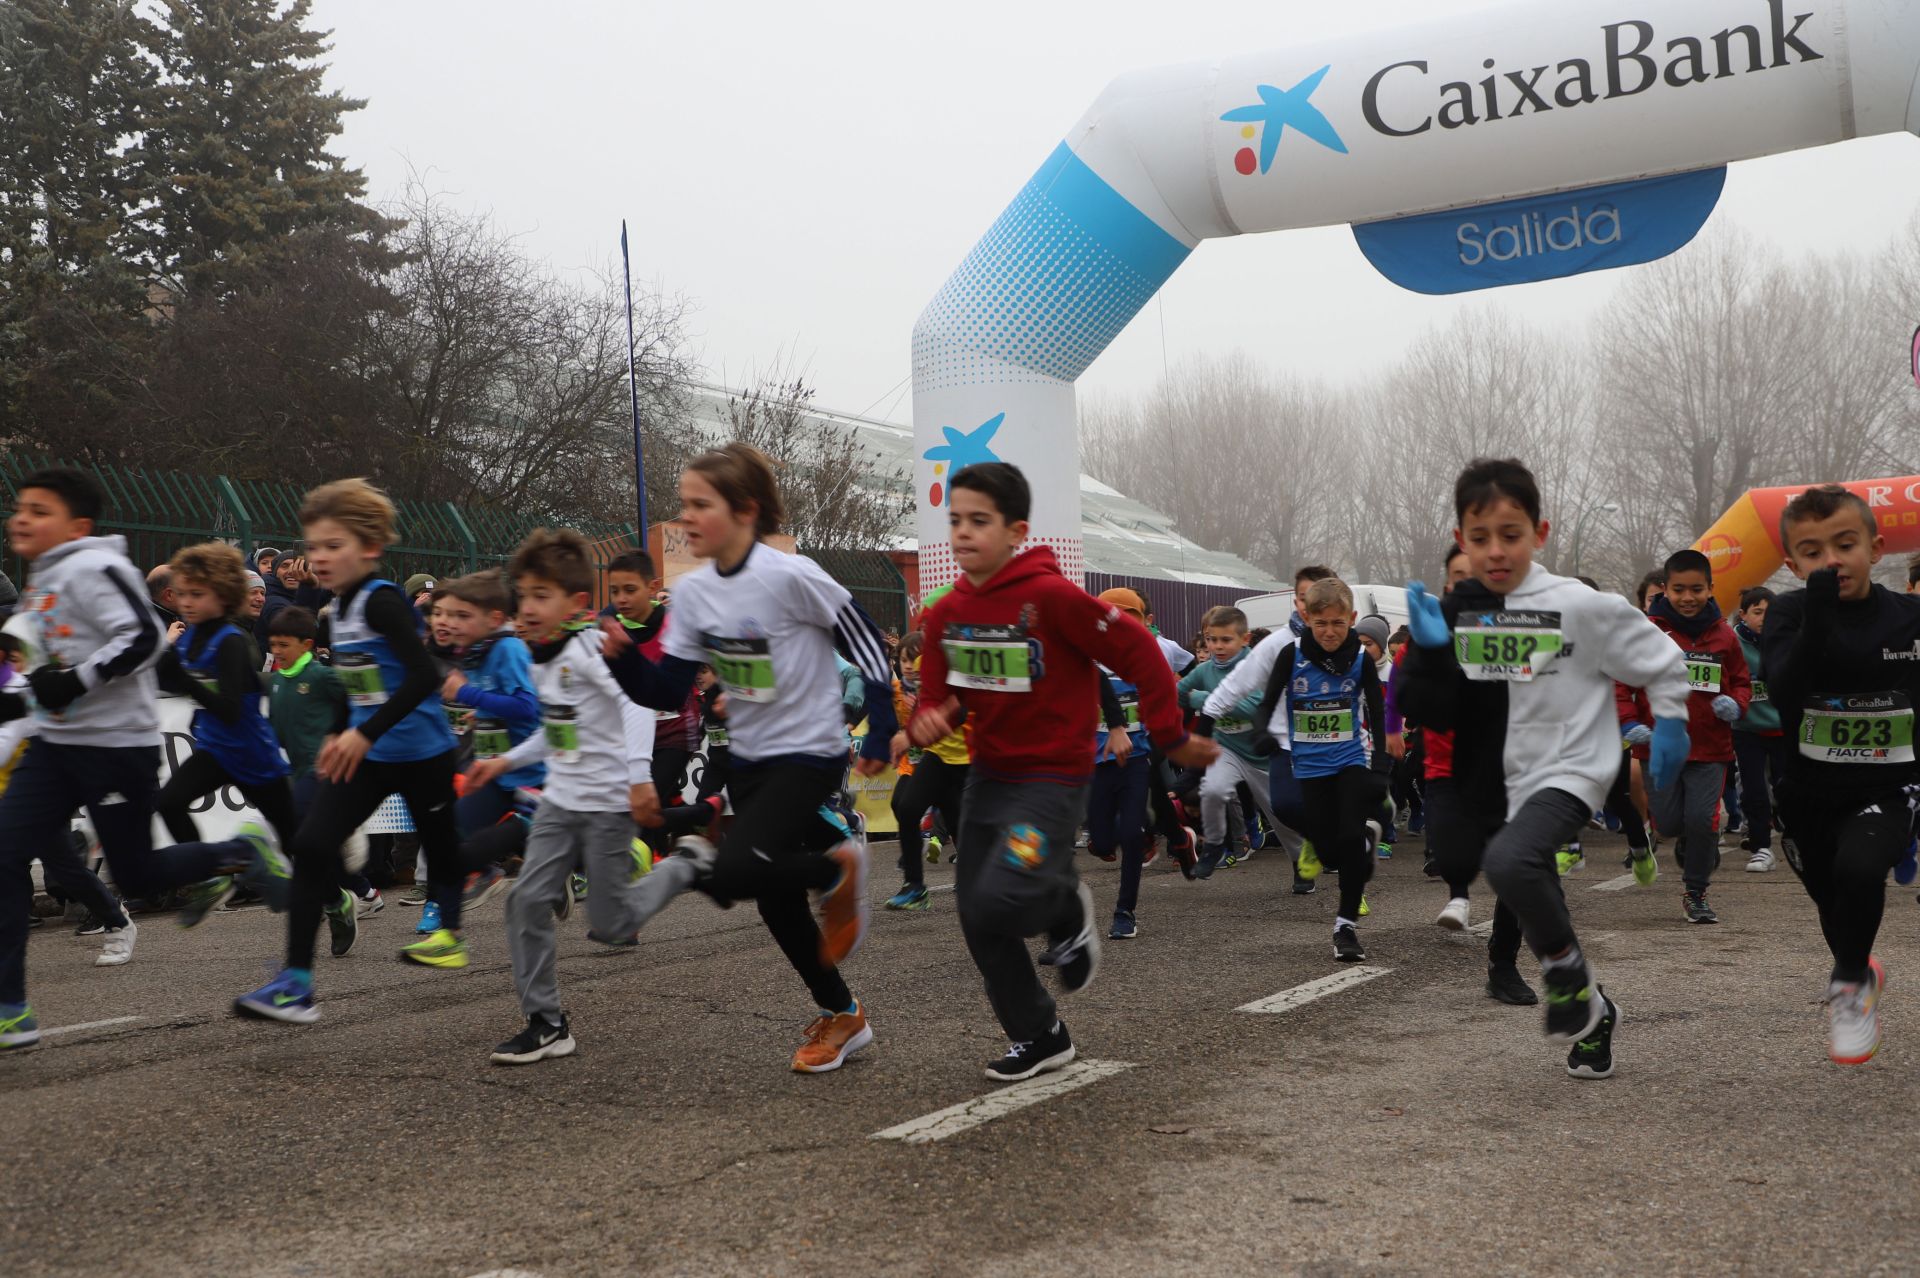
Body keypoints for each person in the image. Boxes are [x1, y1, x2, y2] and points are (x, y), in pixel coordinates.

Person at [908, 462, 1215, 1083]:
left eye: (980, 521)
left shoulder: (1049, 597)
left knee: (1005, 894)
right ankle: (1041, 1035)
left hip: (1052, 780)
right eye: (955, 521)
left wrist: (1170, 735)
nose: (964, 533)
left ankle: (1065, 905)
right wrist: (927, 722)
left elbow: (1138, 654)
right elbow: (943, 696)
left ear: (1016, 529)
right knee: (977, 915)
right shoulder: (946, 614)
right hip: (989, 778)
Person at [600, 443, 899, 1074]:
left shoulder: (791, 574)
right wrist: (624, 658)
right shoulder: (697, 595)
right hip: (751, 760)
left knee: (734, 873)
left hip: (810, 750)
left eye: (699, 505)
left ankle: (831, 870)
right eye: (683, 505)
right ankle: (843, 1014)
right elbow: (663, 691)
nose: (685, 519)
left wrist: (881, 729)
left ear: (745, 510)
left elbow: (868, 642)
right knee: (771, 898)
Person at [1400, 457, 1690, 1080]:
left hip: (1571, 766)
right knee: (1517, 880)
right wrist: (1427, 655)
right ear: (1461, 541)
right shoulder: (1461, 612)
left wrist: (1671, 721)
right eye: (1480, 539)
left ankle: (1566, 974)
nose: (1496, 551)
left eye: (1512, 534)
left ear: (1541, 532)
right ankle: (1593, 1012)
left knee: (1510, 864)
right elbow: (1431, 710)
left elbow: (1662, 659)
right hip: (1494, 779)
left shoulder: (1580, 604)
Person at [0, 469, 262, 1049]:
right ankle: (11, 1007)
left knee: (138, 873)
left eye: (40, 510)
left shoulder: (95, 567)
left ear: (78, 525)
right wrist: (21, 699)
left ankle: (241, 850)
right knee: (5, 851)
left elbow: (145, 638)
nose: (22, 518)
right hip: (55, 746)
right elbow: (40, 678)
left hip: (116, 747)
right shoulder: (39, 582)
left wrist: (76, 681)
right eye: (21, 507)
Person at [233, 478, 463, 1022]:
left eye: (334, 546)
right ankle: (295, 984)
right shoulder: (336, 612)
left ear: (370, 548)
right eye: (313, 546)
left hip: (424, 751)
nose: (320, 557)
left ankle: (450, 931)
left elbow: (422, 677)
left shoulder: (381, 603)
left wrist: (363, 731)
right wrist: (345, 728)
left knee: (444, 846)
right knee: (312, 845)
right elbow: (360, 685)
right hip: (374, 753)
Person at [464, 529, 657, 1065]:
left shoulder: (594, 647)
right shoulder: (540, 657)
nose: (526, 608)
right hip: (559, 801)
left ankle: (688, 864)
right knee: (525, 901)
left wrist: (639, 776)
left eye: (540, 597)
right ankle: (546, 1023)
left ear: (575, 604)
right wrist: (506, 760)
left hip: (608, 803)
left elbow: (639, 706)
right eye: (522, 595)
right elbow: (557, 730)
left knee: (613, 924)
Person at [1762, 484, 1920, 1064]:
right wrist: (1819, 618)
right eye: (1812, 551)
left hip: (1889, 785)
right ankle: (1857, 963)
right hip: (1806, 793)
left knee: (1860, 868)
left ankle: (1849, 988)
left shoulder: (1911, 618)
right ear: (1791, 564)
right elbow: (1783, 689)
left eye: (1845, 544)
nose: (1831, 561)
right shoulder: (1790, 612)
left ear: (1875, 548)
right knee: (1836, 907)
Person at [1218, 579, 1392, 961]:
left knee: (1345, 842)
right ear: (1307, 618)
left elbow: (1377, 711)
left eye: (1338, 623)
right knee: (1325, 846)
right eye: (1321, 623)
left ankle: (1345, 927)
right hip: (1308, 765)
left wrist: (1381, 762)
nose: (1329, 632)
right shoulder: (1291, 654)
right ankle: (1360, 841)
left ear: (1352, 619)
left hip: (1350, 760)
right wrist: (1262, 731)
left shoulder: (1361, 660)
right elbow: (1266, 703)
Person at [148, 542, 315, 937]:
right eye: (182, 594)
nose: (186, 602)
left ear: (222, 596)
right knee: (169, 803)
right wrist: (163, 664)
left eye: (196, 594)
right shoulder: (189, 637)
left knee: (296, 844)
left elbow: (229, 709)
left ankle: (338, 898)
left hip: (253, 755)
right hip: (215, 750)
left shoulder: (232, 642)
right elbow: (172, 681)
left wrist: (183, 678)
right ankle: (210, 877)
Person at [1622, 549, 1750, 924]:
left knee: (1703, 819)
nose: (1688, 597)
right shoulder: (1646, 631)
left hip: (1711, 748)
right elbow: (1621, 681)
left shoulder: (1725, 636)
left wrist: (1737, 704)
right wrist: (1628, 722)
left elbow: (1742, 681)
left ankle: (1696, 892)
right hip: (1657, 745)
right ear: (1666, 588)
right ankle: (1686, 841)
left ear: (1711, 589)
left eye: (1697, 589)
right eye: (1679, 589)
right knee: (1670, 823)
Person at [430, 571, 544, 920]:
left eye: (463, 616)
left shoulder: (507, 649)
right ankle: (448, 934)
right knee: (451, 832)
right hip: (494, 773)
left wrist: (467, 694)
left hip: (532, 777)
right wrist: (481, 714)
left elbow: (528, 706)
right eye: (449, 615)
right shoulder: (476, 650)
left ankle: (617, 861)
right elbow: (500, 698)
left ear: (494, 618)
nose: (452, 623)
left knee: (566, 849)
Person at [266, 606, 380, 918]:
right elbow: (276, 729)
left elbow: (355, 705)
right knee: (308, 842)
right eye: (273, 645)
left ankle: (347, 837)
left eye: (284, 645)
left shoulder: (323, 676)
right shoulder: (276, 682)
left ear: (307, 645)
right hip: (299, 770)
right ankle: (362, 890)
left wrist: (342, 738)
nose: (277, 651)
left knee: (302, 833)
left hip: (327, 769)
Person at [1182, 606, 1299, 883]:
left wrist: (1203, 700)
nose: (1217, 647)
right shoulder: (1206, 670)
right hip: (1227, 749)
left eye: (1226, 640)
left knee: (1281, 816)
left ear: (1245, 639)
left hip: (1263, 755)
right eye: (1211, 640)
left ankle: (1300, 863)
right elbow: (1178, 693)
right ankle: (1214, 845)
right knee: (1212, 789)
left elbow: (1252, 707)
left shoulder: (1257, 664)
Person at [602, 550, 703, 826]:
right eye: (614, 591)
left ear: (652, 587)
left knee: (641, 807)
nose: (621, 598)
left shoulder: (674, 625)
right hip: (634, 736)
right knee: (637, 809)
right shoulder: (611, 628)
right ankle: (680, 819)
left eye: (630, 590)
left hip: (675, 732)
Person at [886, 627, 969, 910]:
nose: (908, 666)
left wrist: (914, 733)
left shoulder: (951, 661)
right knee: (907, 806)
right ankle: (915, 886)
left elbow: (960, 709)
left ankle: (978, 878)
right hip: (937, 756)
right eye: (903, 660)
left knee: (966, 825)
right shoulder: (914, 679)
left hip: (970, 759)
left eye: (913, 659)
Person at [1729, 586, 1789, 873]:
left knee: (1786, 789)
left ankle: (1795, 839)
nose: (1764, 618)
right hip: (1746, 729)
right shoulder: (1733, 644)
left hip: (1783, 729)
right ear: (1743, 614)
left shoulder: (1788, 640)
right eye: (1757, 612)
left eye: (1770, 612)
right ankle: (1762, 848)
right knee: (1753, 791)